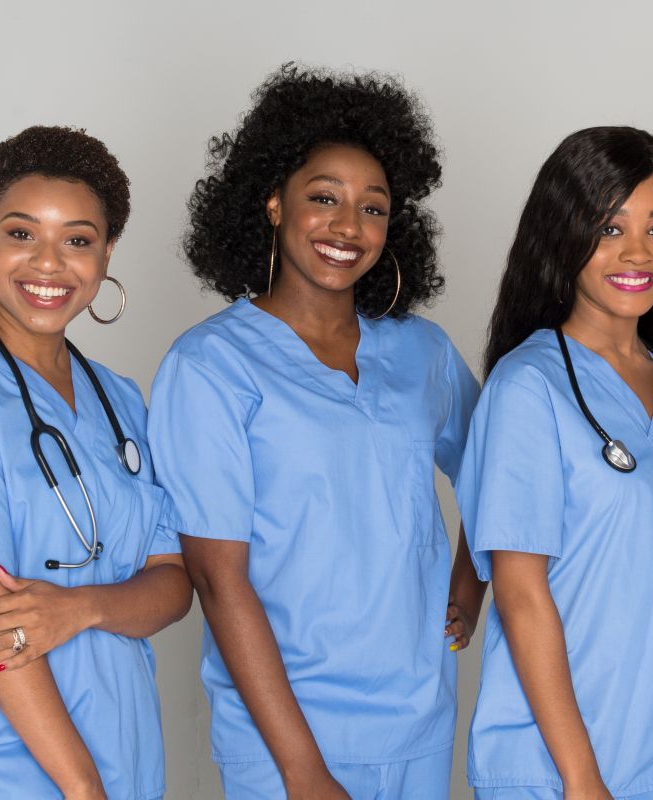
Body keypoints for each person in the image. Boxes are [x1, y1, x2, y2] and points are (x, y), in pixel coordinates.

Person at [147, 65, 483, 799]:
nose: (348, 227)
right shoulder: (210, 366)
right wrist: (303, 772)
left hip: (418, 721)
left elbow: (506, 473)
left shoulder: (419, 352)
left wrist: (472, 580)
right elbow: (215, 575)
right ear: (273, 202)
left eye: (373, 208)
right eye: (324, 198)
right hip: (285, 741)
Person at [0, 126, 193, 800]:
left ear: (106, 252)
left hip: (125, 756)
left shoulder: (120, 400)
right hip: (2, 769)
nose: (48, 264)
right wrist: (83, 789)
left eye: (77, 240)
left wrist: (80, 610)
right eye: (21, 234)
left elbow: (172, 584)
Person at [457, 126, 653, 800]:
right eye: (609, 227)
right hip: (552, 763)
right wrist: (582, 779)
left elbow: (636, 558)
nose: (638, 253)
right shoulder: (529, 387)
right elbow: (521, 591)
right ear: (563, 237)